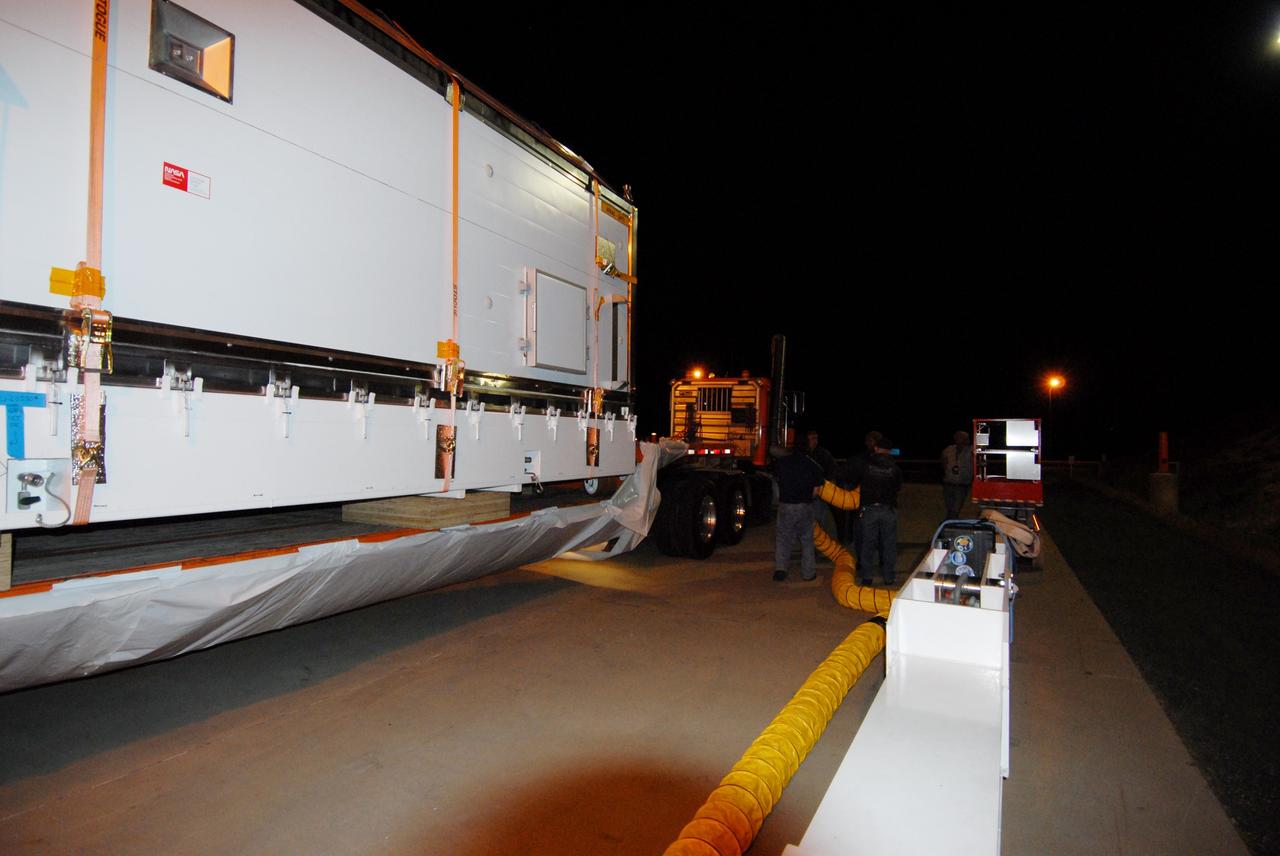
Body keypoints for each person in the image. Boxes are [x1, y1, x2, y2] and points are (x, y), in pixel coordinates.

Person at [772, 435, 826, 582]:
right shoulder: (812, 465)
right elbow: (816, 490)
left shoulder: (781, 463)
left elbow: (776, 482)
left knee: (783, 538)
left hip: (785, 506)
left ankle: (780, 570)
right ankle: (808, 574)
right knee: (807, 540)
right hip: (804, 506)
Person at [858, 435, 902, 586]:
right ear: (889, 451)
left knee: (867, 544)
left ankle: (867, 577)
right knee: (889, 544)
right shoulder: (894, 468)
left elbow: (856, 480)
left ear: (876, 448)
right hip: (888, 510)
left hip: (869, 509)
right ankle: (889, 577)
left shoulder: (866, 465)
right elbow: (897, 488)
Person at [940, 430, 974, 519]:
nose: (960, 440)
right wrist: (947, 470)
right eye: (958, 437)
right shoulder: (949, 449)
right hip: (948, 483)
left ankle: (948, 524)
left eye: (963, 438)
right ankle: (949, 524)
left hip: (962, 485)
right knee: (950, 508)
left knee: (955, 509)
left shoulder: (971, 450)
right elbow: (943, 458)